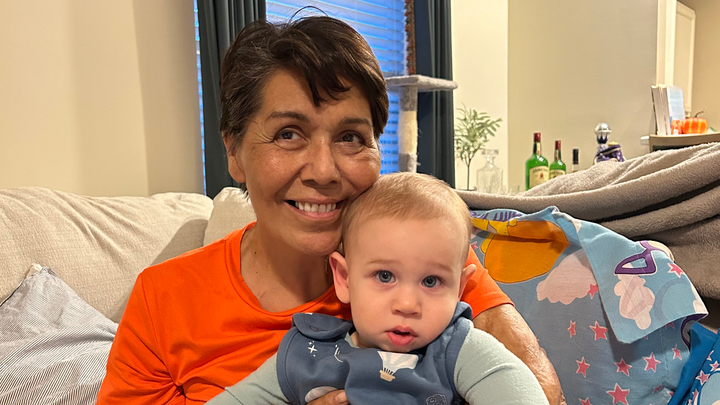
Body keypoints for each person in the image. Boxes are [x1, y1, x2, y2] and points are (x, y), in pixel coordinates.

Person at [97, 15, 564, 405]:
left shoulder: (424, 265)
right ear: (234, 152)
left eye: (350, 138)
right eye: (288, 134)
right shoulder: (163, 302)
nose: (323, 170)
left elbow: (539, 391)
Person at [206, 172, 549, 405]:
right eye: (385, 276)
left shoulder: (458, 348)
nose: (407, 304)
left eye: (431, 281)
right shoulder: (307, 352)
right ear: (343, 278)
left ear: (459, 289)